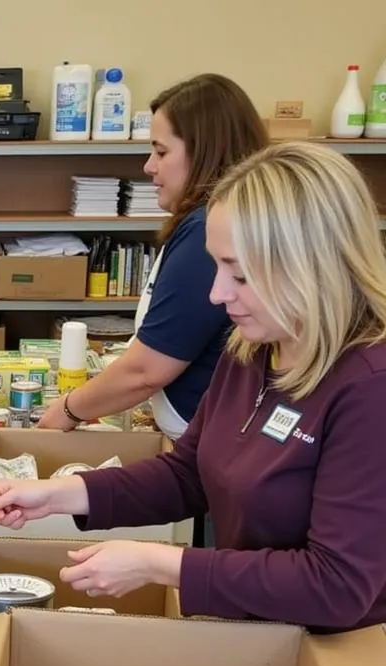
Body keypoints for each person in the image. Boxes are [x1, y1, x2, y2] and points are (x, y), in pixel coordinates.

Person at [0, 142, 386, 633]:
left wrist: (159, 564)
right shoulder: (255, 346)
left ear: (313, 267)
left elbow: (337, 586)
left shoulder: (369, 388)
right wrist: (60, 495)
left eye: (240, 274)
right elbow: (190, 474)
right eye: (217, 266)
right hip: (263, 634)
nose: (218, 294)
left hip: (339, 659)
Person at [37, 74, 267, 439]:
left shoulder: (206, 233)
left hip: (201, 441)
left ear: (204, 150)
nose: (148, 166)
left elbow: (148, 370)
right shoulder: (205, 223)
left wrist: (68, 409)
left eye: (161, 152)